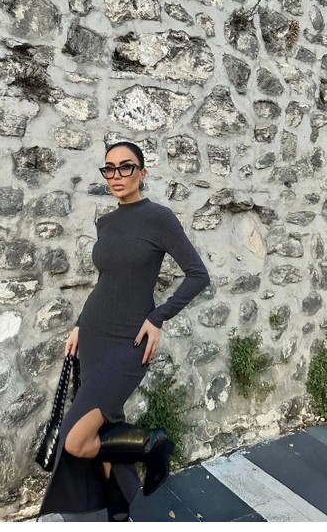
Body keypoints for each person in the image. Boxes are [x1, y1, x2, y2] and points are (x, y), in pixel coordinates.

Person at [37, 141, 210, 522]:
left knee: (76, 440)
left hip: (131, 341)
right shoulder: (106, 222)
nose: (116, 176)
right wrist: (79, 325)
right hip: (94, 335)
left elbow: (198, 275)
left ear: (142, 173)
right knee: (106, 428)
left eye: (126, 167)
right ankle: (119, 510)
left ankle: (152, 444)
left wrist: (158, 317)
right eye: (109, 169)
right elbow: (106, 283)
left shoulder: (159, 218)